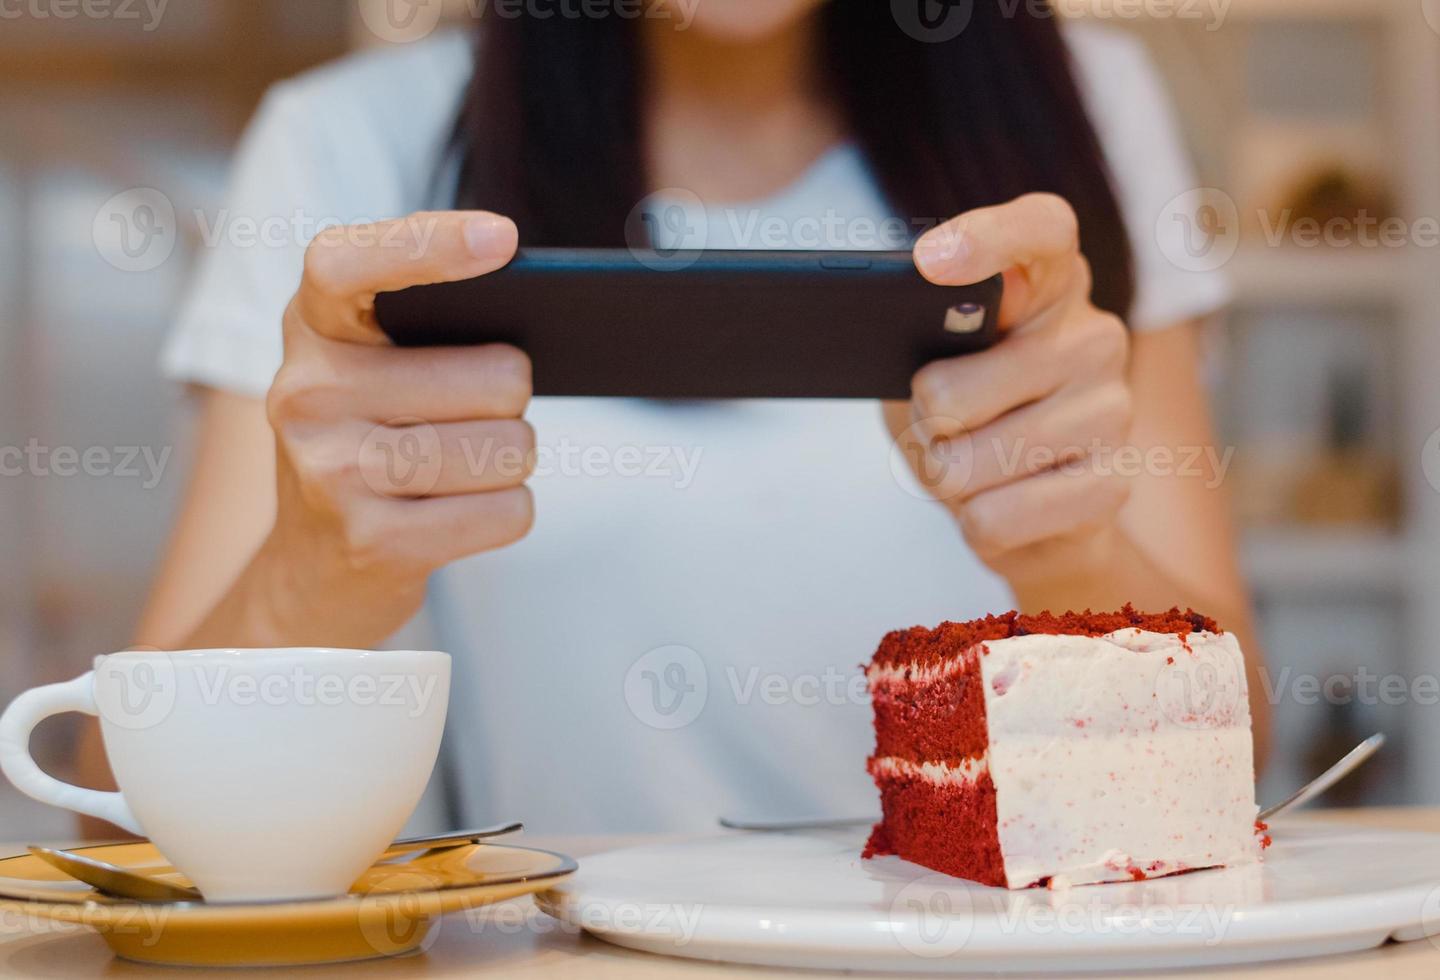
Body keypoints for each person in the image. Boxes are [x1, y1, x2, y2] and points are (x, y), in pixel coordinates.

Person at [107, 3, 1264, 832]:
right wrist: (317, 573)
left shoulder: (1081, 109)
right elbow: (121, 797)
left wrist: (1066, 551)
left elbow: (1234, 753)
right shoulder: (349, 145)